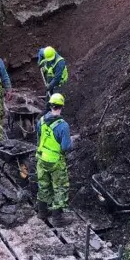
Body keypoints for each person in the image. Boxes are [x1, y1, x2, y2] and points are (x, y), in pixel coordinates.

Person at [36, 93, 73, 227]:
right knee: (60, 188)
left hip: (41, 158)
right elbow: (66, 147)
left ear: (50, 105)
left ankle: (42, 212)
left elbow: (40, 136)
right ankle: (57, 219)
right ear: (62, 106)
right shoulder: (63, 126)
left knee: (43, 184)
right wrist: (71, 142)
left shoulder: (41, 120)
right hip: (55, 161)